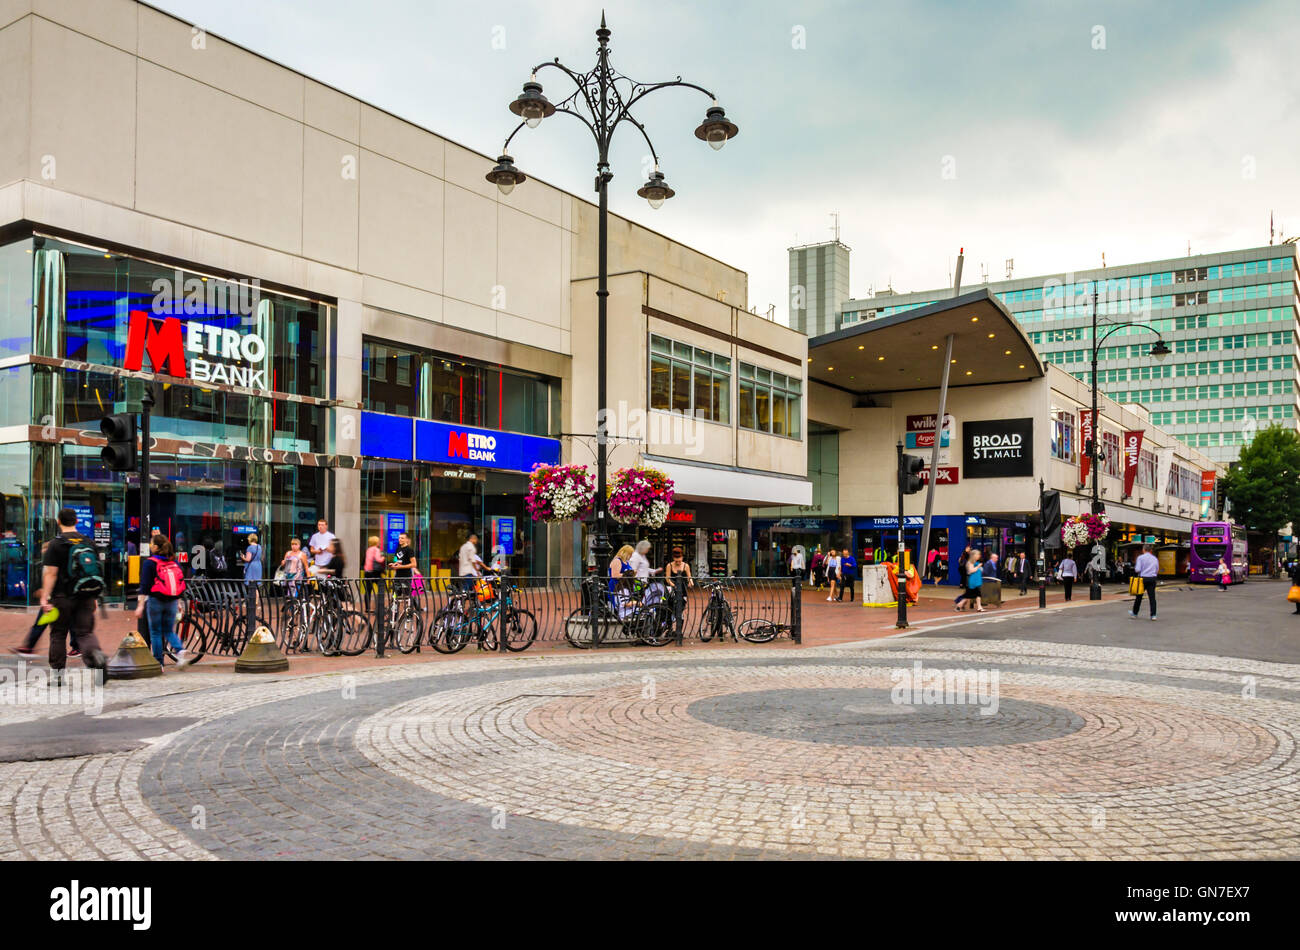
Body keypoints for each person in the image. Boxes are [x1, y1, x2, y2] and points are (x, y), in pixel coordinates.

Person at [39, 507, 108, 677]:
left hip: (62, 597)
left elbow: (51, 573)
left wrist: (45, 597)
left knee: (58, 633)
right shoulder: (89, 542)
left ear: (58, 522)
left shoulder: (56, 544)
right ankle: (96, 657)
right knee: (84, 633)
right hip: (86, 596)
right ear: (77, 521)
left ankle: (57, 676)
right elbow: (96, 570)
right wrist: (94, 598)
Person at [136, 535, 192, 668]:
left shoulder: (150, 563)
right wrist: (178, 602)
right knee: (169, 630)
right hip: (172, 601)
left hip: (156, 600)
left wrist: (140, 605)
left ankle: (159, 662)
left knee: (155, 632)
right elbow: (177, 583)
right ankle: (179, 649)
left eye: (151, 543)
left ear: (155, 547)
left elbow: (144, 586)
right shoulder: (173, 562)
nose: (150, 545)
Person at [1130, 544, 1160, 621]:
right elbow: (1157, 569)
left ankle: (1134, 613)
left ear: (1143, 550)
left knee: (1139, 597)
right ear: (1151, 550)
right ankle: (1153, 615)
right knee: (1152, 598)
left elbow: (1137, 569)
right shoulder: (1155, 559)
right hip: (1152, 579)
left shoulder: (1140, 558)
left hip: (1142, 579)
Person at [363, 535, 386, 610]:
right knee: (382, 586)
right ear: (376, 542)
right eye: (378, 541)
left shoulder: (368, 549)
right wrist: (383, 558)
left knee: (368, 590)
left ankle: (367, 608)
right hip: (375, 572)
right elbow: (378, 559)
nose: (379, 543)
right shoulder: (376, 549)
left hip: (367, 572)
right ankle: (380, 606)